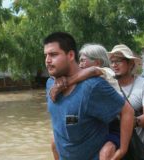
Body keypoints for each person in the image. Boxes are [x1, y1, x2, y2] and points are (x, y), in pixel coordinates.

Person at [44, 32, 134, 160]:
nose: (47, 60)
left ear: (70, 55)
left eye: (53, 54)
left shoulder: (94, 86)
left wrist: (122, 149)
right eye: (46, 55)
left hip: (113, 123)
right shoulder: (50, 84)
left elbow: (127, 111)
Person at [107, 44, 144, 148]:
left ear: (130, 63)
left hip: (139, 148)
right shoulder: (106, 85)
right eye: (112, 61)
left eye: (119, 61)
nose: (114, 65)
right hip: (114, 145)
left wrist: (129, 122)